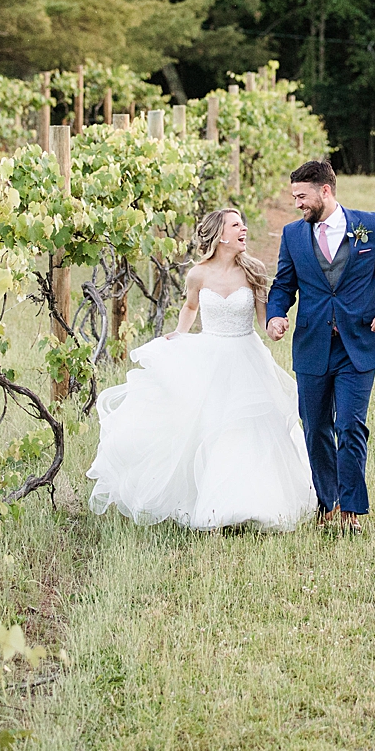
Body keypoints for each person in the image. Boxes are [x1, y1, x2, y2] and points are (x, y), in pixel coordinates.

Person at [86, 209, 317, 532]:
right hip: (212, 354)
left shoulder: (254, 270)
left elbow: (265, 318)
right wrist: (179, 336)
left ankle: (254, 503)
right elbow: (191, 307)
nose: (244, 229)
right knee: (213, 427)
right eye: (236, 225)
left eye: (243, 224)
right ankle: (215, 506)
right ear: (220, 235)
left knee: (249, 427)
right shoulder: (198, 274)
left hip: (247, 354)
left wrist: (275, 328)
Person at [265, 161, 375, 536]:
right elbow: (284, 285)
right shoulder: (292, 235)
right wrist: (276, 315)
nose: (296, 203)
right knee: (316, 427)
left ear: (325, 191)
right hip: (312, 344)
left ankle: (351, 508)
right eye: (294, 196)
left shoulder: (371, 226)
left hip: (358, 345)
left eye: (302, 196)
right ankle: (326, 501)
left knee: (350, 425)